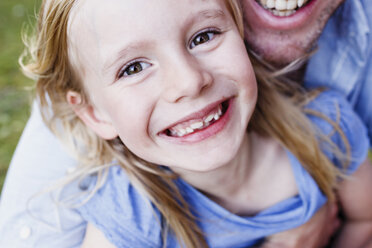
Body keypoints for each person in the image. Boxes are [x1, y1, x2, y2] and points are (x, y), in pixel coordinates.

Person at [0, 0, 371, 247]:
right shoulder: (131, 216)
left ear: (241, 35)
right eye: (133, 68)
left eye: (204, 36)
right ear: (96, 113)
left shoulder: (326, 131)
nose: (189, 82)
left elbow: (364, 224)